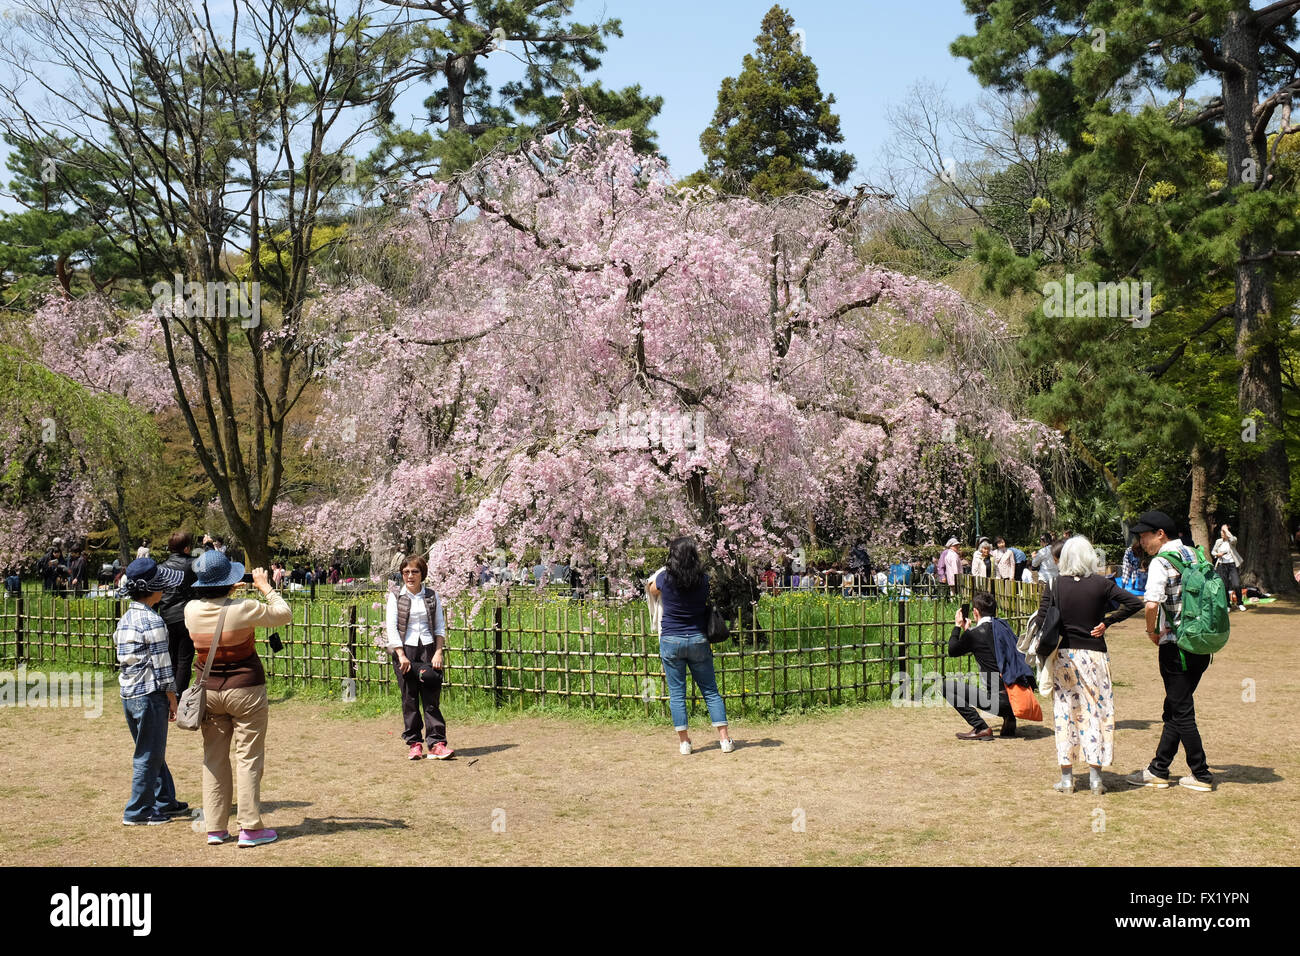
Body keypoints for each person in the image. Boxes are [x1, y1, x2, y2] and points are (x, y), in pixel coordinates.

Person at [185, 549, 292, 847]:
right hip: (246, 688)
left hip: (208, 690)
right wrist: (264, 586)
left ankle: (216, 827)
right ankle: (250, 828)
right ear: (231, 582)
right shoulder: (244, 607)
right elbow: (283, 613)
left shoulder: (190, 610)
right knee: (248, 758)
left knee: (214, 759)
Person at [1039, 536, 1143, 795]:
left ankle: (1066, 779)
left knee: (1065, 713)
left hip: (1064, 656)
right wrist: (1108, 621)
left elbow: (1042, 621)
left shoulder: (1054, 585)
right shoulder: (1101, 584)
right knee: (1097, 713)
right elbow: (1134, 603)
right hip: (1095, 655)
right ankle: (1096, 778)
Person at [1124, 511, 1216, 793]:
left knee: (1182, 710)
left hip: (1176, 646)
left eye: (1144, 535)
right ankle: (1158, 769)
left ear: (1160, 534)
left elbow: (1151, 604)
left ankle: (1201, 774)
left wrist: (1151, 631)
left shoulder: (1161, 561)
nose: (1142, 541)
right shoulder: (1196, 554)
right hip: (1202, 644)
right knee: (1175, 707)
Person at [114, 556, 189, 825]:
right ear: (154, 590)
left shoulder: (126, 618)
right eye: (163, 586)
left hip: (129, 694)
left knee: (150, 749)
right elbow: (163, 666)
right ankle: (137, 812)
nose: (166, 590)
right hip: (150, 695)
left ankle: (165, 800)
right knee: (148, 754)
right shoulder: (154, 622)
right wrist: (172, 698)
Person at [646, 537, 734, 755]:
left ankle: (684, 743)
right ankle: (724, 739)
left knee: (677, 694)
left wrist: (660, 571)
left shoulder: (665, 578)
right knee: (711, 691)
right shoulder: (703, 579)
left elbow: (651, 588)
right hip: (697, 638)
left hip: (671, 640)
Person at [386, 555, 454, 760]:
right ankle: (414, 744)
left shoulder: (432, 596)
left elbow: (440, 626)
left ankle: (437, 743)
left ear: (422, 574)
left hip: (428, 649)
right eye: (406, 572)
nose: (410, 576)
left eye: (414, 571)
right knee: (409, 698)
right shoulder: (395, 596)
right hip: (405, 650)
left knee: (431, 696)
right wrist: (400, 654)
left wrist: (439, 651)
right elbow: (391, 627)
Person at [944, 591, 1019, 740]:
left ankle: (980, 727)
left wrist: (957, 627)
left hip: (999, 702)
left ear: (975, 612)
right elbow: (986, 646)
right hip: (1017, 697)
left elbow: (952, 650)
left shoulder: (974, 635)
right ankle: (1010, 718)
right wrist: (969, 631)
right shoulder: (1004, 628)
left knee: (946, 686)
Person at [155, 531, 198, 695]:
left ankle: (169, 696)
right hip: (186, 615)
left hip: (166, 616)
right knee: (185, 660)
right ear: (187, 548)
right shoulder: (193, 565)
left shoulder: (161, 568)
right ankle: (179, 696)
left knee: (171, 659)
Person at [1211, 524, 1247, 611]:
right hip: (1222, 565)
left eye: (1223, 531)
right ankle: (1228, 605)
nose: (1222, 533)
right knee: (1224, 586)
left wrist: (1226, 530)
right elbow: (1213, 551)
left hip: (1232, 565)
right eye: (1221, 531)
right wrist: (1217, 554)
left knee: (1236, 584)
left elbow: (1233, 539)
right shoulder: (1218, 541)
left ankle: (1240, 603)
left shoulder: (1232, 540)